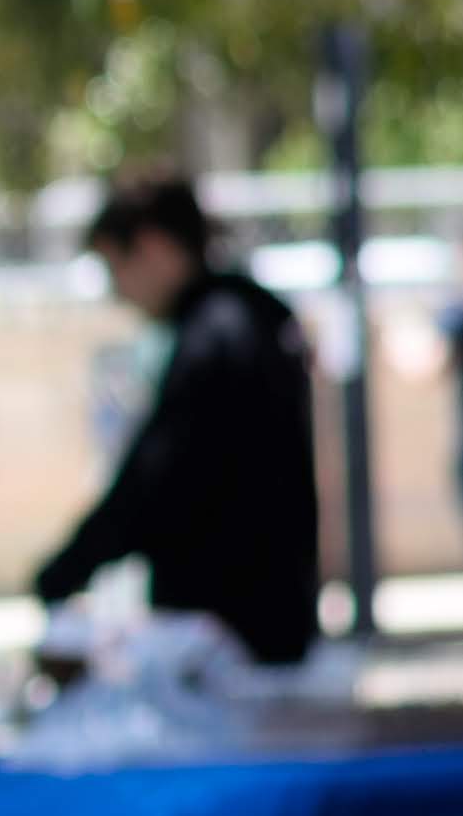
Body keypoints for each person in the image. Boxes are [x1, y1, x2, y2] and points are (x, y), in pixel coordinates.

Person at [34, 169, 322, 666]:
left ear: (152, 246)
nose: (117, 293)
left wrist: (66, 570)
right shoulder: (253, 315)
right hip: (272, 611)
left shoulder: (216, 335)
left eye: (115, 269)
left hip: (229, 627)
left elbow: (159, 476)